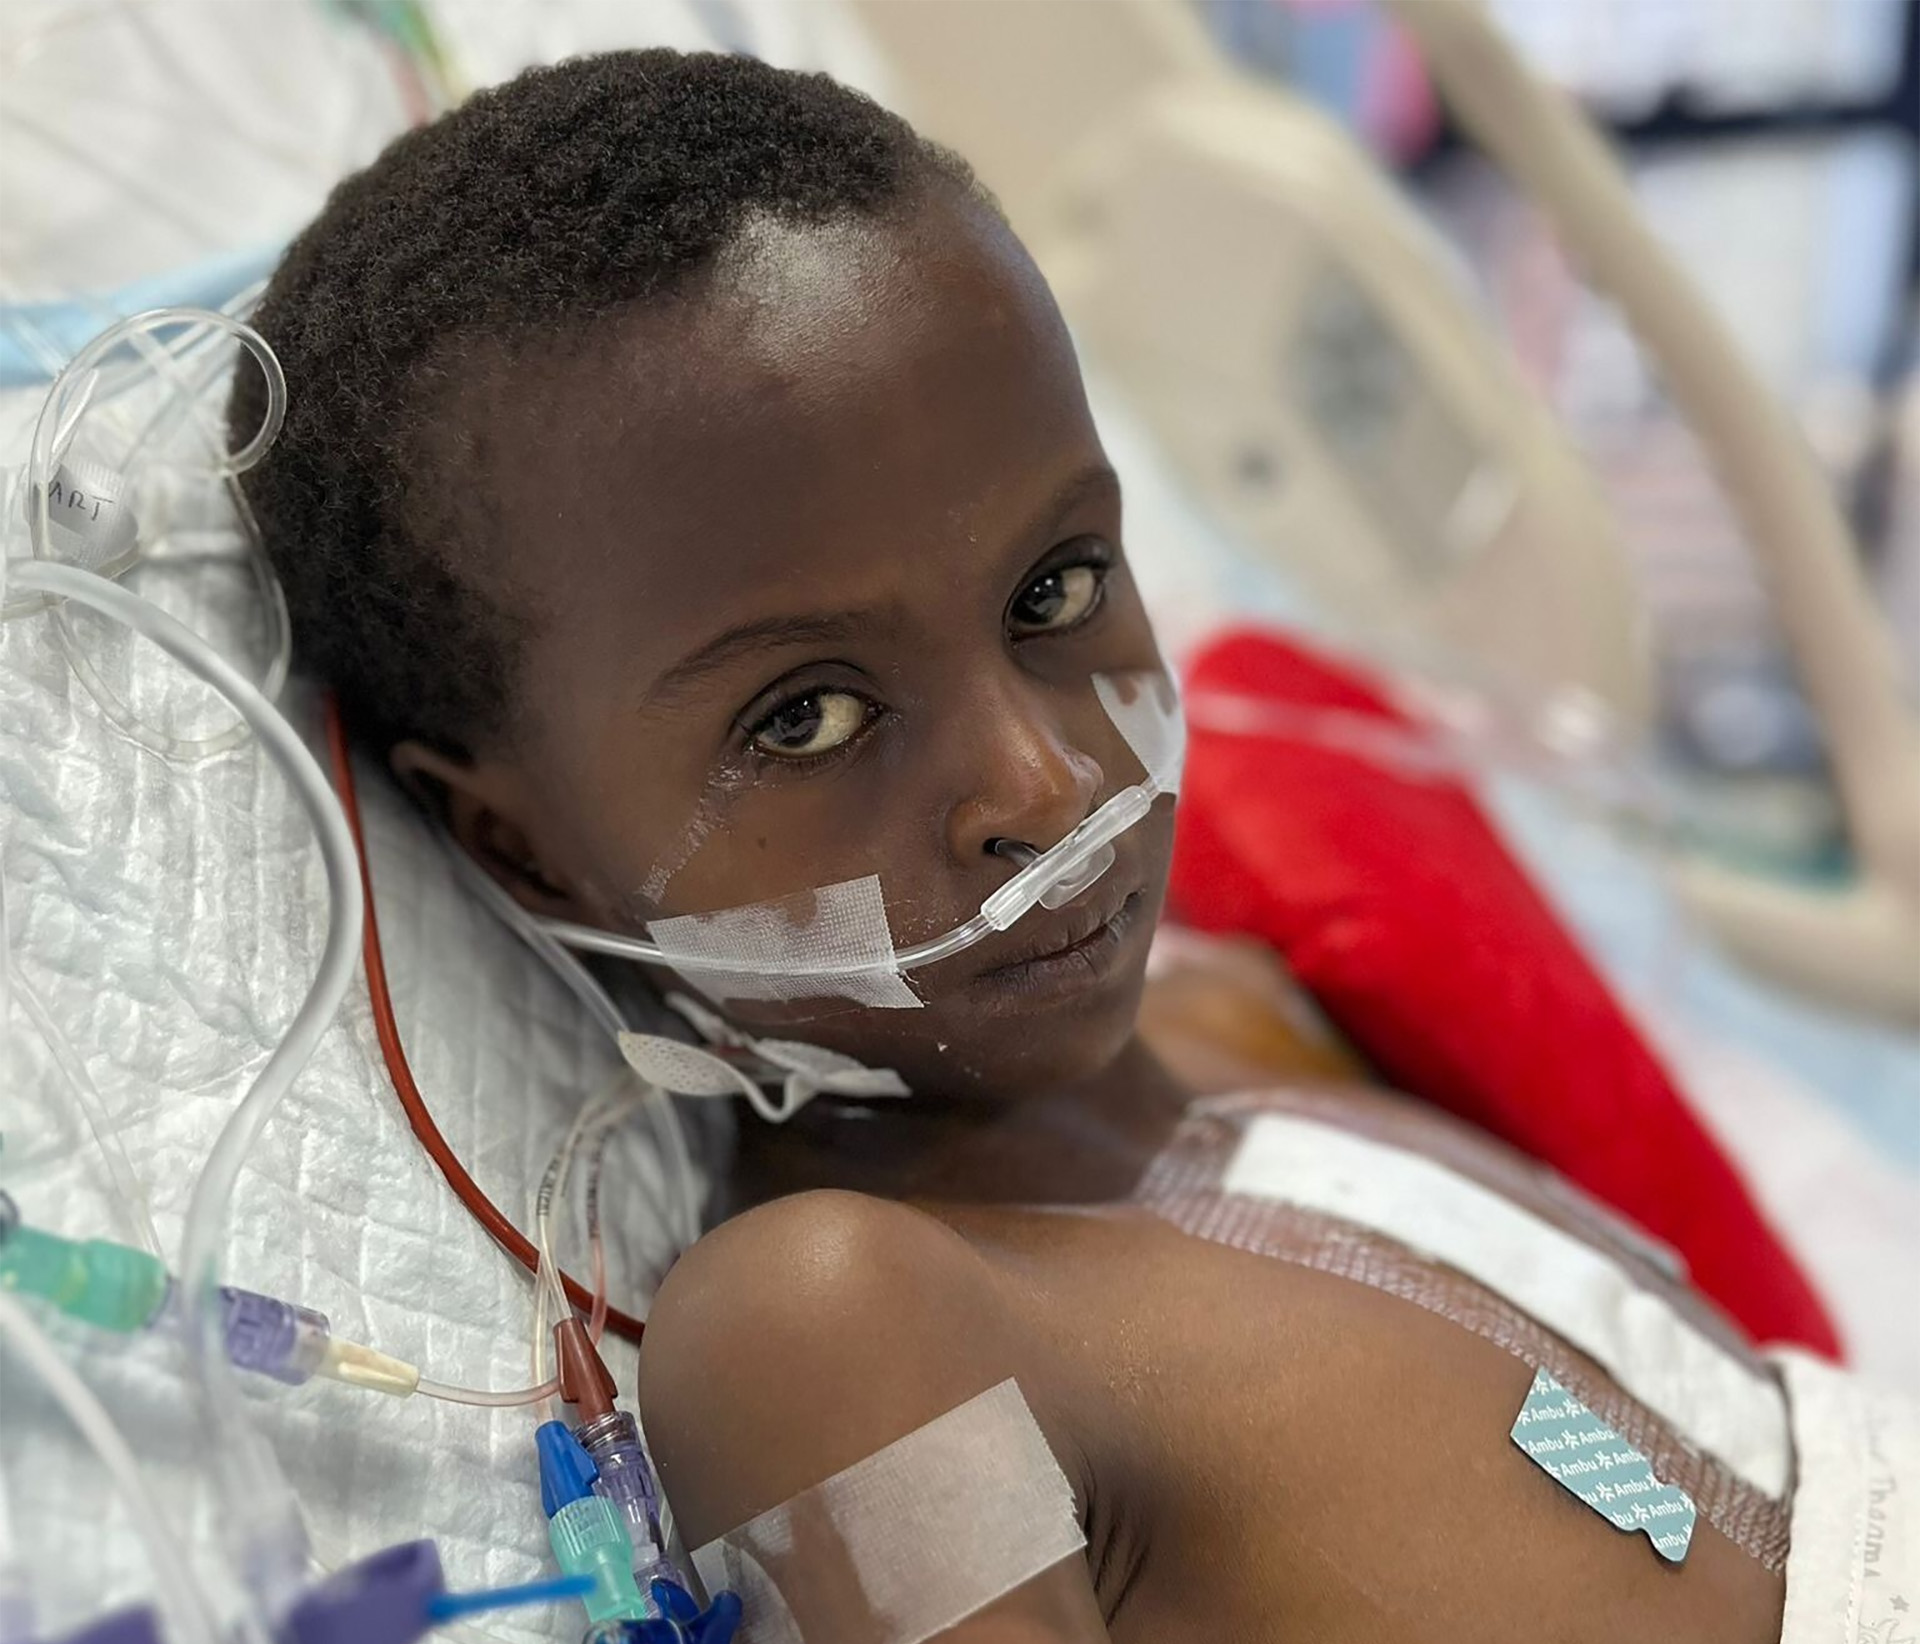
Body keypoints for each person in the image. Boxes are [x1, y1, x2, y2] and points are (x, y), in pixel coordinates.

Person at [237, 51, 1799, 1641]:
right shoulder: (841, 1327)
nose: (1046, 787)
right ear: (527, 849)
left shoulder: (1249, 1022)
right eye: (808, 719)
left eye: (1056, 591)